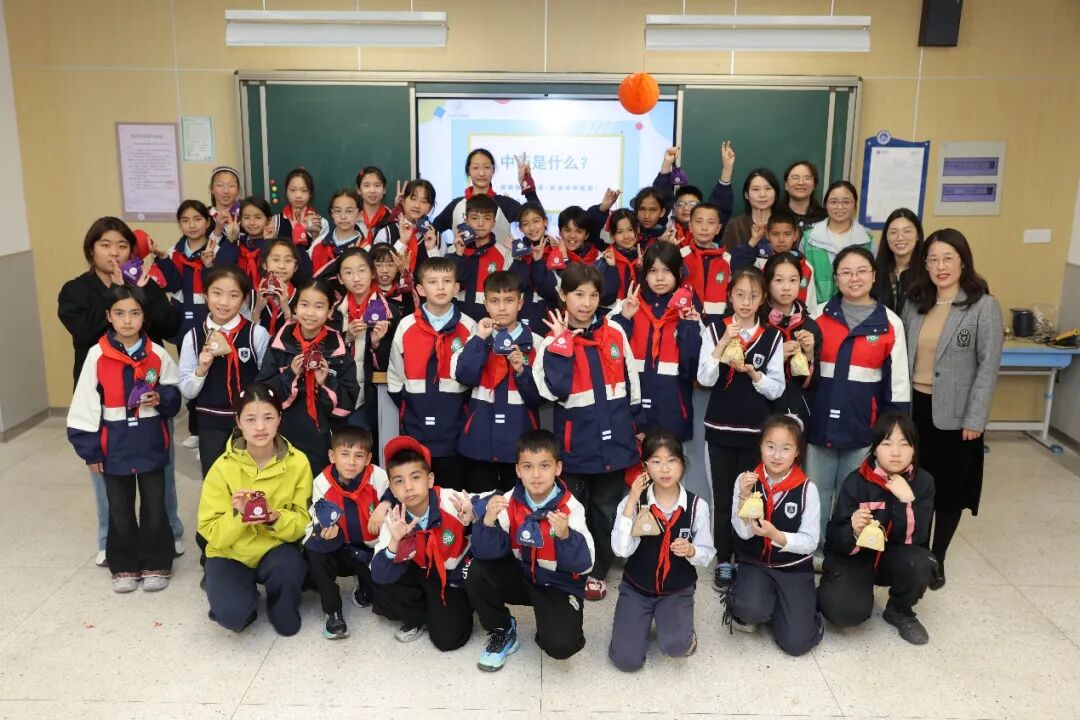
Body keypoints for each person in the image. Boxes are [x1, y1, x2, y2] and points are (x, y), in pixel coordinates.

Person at [57, 217, 183, 566]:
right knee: (108, 477)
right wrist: (115, 294)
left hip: (149, 391)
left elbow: (170, 325)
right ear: (91, 251)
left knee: (160, 470)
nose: (114, 252)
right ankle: (109, 540)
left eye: (122, 246)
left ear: (133, 252)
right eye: (105, 245)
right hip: (104, 396)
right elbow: (84, 333)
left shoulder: (141, 281)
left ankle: (168, 532)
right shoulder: (75, 290)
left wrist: (144, 288)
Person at [533, 263, 640, 601]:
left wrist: (633, 428)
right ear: (563, 296)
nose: (586, 302)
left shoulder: (615, 331)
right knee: (574, 509)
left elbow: (632, 383)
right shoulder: (551, 339)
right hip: (576, 444)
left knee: (607, 510)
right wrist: (562, 345)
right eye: (578, 294)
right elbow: (553, 390)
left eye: (593, 295)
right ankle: (575, 566)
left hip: (616, 442)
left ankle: (598, 570)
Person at [903, 229, 1003, 589]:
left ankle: (938, 556)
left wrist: (976, 418)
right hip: (915, 411)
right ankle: (917, 552)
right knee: (916, 487)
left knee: (948, 491)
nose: (940, 266)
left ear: (963, 261)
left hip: (957, 417)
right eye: (933, 259)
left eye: (948, 258)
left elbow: (988, 367)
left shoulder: (982, 306)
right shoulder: (915, 302)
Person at [67, 285, 181, 592]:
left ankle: (156, 561)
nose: (127, 320)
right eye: (119, 313)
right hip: (113, 446)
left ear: (144, 316)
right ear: (109, 316)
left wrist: (161, 398)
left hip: (150, 443)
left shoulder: (157, 354)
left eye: (134, 313)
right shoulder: (96, 356)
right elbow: (84, 407)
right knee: (119, 507)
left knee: (154, 505)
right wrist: (91, 452)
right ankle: (125, 564)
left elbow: (173, 391)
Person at [807, 246, 910, 562]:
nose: (854, 278)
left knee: (854, 495)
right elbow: (802, 374)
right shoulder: (817, 317)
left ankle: (845, 553)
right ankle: (814, 551)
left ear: (874, 276)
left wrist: (891, 438)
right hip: (819, 427)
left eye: (862, 271)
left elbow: (898, 387)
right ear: (836, 278)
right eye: (846, 272)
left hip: (864, 429)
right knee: (816, 493)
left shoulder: (890, 323)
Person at [465, 430, 595, 671]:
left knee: (561, 645)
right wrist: (488, 522)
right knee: (476, 571)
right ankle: (503, 629)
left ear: (558, 468)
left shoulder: (571, 507)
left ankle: (550, 623)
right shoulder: (508, 501)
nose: (536, 475)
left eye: (544, 465)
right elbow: (485, 553)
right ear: (517, 470)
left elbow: (585, 565)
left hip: (557, 584)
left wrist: (566, 537)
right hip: (522, 576)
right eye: (527, 466)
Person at [198, 383, 312, 636]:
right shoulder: (221, 467)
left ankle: (281, 606)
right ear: (238, 421)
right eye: (251, 419)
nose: (260, 427)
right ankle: (234, 592)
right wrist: (238, 515)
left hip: (275, 547)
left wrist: (274, 518)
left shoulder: (298, 462)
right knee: (233, 617)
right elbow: (210, 531)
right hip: (231, 552)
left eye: (268, 418)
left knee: (290, 567)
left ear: (279, 419)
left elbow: (304, 521)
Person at [697, 267, 784, 592]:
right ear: (730, 296)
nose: (746, 302)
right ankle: (724, 558)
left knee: (751, 497)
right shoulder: (715, 329)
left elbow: (776, 389)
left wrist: (754, 374)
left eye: (753, 296)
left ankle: (747, 557)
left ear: (763, 299)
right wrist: (722, 344)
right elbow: (705, 378)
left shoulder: (773, 337)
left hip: (755, 435)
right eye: (740, 295)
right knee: (722, 497)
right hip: (719, 430)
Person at [817, 412, 937, 645]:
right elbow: (833, 539)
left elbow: (918, 540)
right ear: (874, 449)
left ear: (914, 449)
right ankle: (831, 590)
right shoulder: (856, 481)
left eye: (904, 444)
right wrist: (852, 530)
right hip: (856, 558)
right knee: (843, 613)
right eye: (887, 443)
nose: (896, 452)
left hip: (894, 556)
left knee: (923, 563)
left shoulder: (923, 483)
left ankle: (899, 610)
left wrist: (906, 501)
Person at [609, 429, 715, 672]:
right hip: (637, 588)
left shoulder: (696, 506)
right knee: (626, 660)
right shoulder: (634, 502)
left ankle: (677, 627)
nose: (665, 469)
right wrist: (632, 500)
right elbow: (621, 549)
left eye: (672, 460)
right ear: (645, 466)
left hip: (676, 589)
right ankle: (641, 621)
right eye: (656, 461)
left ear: (682, 464)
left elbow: (707, 553)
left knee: (676, 647)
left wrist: (691, 551)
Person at [727, 415, 822, 656]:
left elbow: (810, 542)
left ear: (797, 452)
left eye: (786, 448)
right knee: (748, 611)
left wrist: (776, 535)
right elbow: (743, 534)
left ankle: (795, 608)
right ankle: (767, 602)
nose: (777, 456)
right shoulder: (746, 480)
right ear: (760, 447)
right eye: (770, 447)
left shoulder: (807, 489)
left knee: (797, 644)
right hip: (757, 563)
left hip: (793, 568)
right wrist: (743, 496)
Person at [369, 436, 474, 649]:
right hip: (419, 571)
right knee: (382, 592)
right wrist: (395, 543)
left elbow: (494, 501)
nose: (408, 487)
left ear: (430, 479)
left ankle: (450, 608)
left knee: (448, 640)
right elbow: (379, 574)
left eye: (415, 477)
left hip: (451, 577)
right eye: (399, 481)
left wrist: (475, 515)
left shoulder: (451, 500)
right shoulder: (394, 518)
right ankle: (419, 616)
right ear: (392, 489)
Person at [386, 256, 476, 490]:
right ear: (420, 289)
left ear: (456, 288)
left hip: (456, 432)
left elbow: (476, 379)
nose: (440, 287)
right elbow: (395, 376)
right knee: (416, 492)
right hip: (415, 428)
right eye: (433, 281)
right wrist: (409, 406)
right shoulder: (406, 326)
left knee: (452, 497)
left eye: (447, 281)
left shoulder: (469, 327)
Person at [451, 271, 545, 493]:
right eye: (494, 301)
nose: (502, 308)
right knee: (481, 504)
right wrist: (480, 340)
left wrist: (521, 370)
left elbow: (539, 398)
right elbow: (464, 377)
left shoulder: (536, 342)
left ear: (520, 303)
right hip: (479, 441)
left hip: (521, 443)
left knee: (518, 506)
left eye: (509, 300)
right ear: (485, 304)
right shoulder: (475, 337)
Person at [256, 278, 358, 475]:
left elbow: (349, 400)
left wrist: (325, 381)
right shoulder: (280, 344)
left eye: (319, 307)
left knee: (319, 486)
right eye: (304, 305)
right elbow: (262, 393)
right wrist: (290, 375)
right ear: (295, 308)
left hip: (325, 436)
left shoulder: (338, 349)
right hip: (283, 434)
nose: (310, 313)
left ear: (329, 311)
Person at [178, 265, 269, 477]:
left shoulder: (256, 334)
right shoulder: (193, 336)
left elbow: (267, 380)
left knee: (251, 483)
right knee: (215, 481)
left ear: (244, 299)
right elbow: (187, 390)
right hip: (210, 422)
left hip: (250, 422)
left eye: (233, 295)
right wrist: (201, 369)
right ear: (205, 295)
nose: (224, 302)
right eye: (217, 293)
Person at [303, 426, 390, 640]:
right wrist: (327, 532)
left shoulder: (377, 476)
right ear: (332, 456)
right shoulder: (322, 482)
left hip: (371, 549)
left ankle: (365, 582)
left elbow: (394, 494)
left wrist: (384, 504)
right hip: (340, 547)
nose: (351, 462)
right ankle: (333, 611)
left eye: (359, 456)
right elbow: (319, 514)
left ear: (368, 458)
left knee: (388, 605)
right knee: (316, 551)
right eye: (344, 454)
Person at [610, 242, 703, 441]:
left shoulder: (688, 310)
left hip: (672, 412)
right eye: (653, 271)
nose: (660, 278)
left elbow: (691, 370)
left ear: (679, 273)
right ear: (644, 274)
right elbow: (611, 356)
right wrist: (624, 319)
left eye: (667, 270)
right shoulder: (629, 305)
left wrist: (688, 327)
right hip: (632, 410)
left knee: (669, 459)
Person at [335, 247, 395, 440]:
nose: (356, 278)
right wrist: (347, 337)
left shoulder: (390, 312)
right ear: (340, 278)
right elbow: (325, 354)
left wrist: (376, 344)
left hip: (371, 398)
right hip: (337, 395)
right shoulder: (333, 312)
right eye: (348, 272)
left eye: (362, 270)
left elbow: (393, 365)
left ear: (372, 273)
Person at [764, 253, 821, 429]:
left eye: (793, 280)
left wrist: (809, 355)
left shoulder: (810, 326)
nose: (787, 287)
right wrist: (776, 357)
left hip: (795, 413)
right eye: (779, 280)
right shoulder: (757, 321)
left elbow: (811, 384)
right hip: (759, 410)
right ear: (767, 282)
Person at [432, 149, 540, 241]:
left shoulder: (505, 204)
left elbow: (538, 218)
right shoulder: (456, 205)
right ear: (468, 171)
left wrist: (527, 185)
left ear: (493, 170)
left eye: (487, 167)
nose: (481, 173)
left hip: (500, 260)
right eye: (476, 168)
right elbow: (432, 231)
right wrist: (449, 250)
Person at [449, 193, 518, 322]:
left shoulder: (504, 253)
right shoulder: (454, 250)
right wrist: (458, 255)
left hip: (491, 322)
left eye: (487, 218)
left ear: (494, 223)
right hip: (455, 320)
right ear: (466, 220)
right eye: (475, 218)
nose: (480, 224)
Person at [729, 211, 818, 310]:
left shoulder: (805, 266)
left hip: (797, 317)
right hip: (763, 316)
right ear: (767, 235)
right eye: (775, 234)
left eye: (787, 234)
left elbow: (811, 305)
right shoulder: (758, 260)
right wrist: (754, 239)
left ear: (795, 235)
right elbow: (737, 268)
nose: (781, 239)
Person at [802, 181, 874, 303]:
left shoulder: (867, 240)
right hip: (815, 309)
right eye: (834, 202)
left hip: (855, 307)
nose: (839, 207)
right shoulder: (809, 238)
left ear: (855, 205)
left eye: (846, 202)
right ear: (826, 204)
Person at [371, 178, 440, 276]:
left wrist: (432, 249)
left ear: (430, 208)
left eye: (424, 201)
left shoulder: (436, 237)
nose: (417, 205)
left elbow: (441, 274)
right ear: (403, 201)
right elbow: (379, 272)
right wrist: (402, 242)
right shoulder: (386, 233)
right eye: (413, 199)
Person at [680, 202, 732, 325]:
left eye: (711, 222)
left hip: (717, 322)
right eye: (699, 222)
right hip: (685, 318)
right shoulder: (680, 255)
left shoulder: (727, 259)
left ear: (718, 229)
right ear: (690, 226)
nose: (704, 228)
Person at [874, 208, 924, 314]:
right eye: (893, 232)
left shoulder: (928, 272)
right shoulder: (875, 273)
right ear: (886, 237)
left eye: (907, 231)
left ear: (918, 235)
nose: (900, 237)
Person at [250, 238, 300, 337]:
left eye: (288, 260)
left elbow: (299, 338)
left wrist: (287, 311)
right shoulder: (250, 295)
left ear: (295, 267)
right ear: (264, 264)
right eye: (276, 259)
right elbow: (245, 336)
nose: (281, 266)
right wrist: (257, 310)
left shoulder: (301, 297)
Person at [720, 168, 780, 250]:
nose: (762, 194)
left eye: (768, 188)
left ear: (775, 193)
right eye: (756, 189)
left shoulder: (786, 223)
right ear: (746, 195)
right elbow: (727, 256)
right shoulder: (735, 225)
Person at [310, 188, 364, 278]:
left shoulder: (365, 247)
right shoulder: (319, 247)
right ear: (332, 214)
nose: (343, 216)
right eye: (338, 211)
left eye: (349, 211)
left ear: (359, 214)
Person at [272, 167, 328, 249]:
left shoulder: (320, 222)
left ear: (310, 194)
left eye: (304, 190)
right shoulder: (275, 221)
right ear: (286, 192)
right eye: (293, 190)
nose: (298, 195)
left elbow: (320, 254)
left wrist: (315, 236)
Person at [601, 208, 643, 300]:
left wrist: (641, 270)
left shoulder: (644, 255)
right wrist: (611, 267)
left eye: (630, 229)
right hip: (615, 307)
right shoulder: (606, 259)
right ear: (612, 235)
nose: (626, 236)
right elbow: (605, 296)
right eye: (620, 232)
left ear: (637, 229)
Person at [776, 161, 827, 234]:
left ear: (814, 185)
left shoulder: (825, 218)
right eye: (795, 178)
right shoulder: (775, 215)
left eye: (807, 178)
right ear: (786, 184)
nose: (801, 182)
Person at [370, 243, 416, 319]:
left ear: (397, 267)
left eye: (390, 265)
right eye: (378, 265)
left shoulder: (404, 290)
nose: (384, 270)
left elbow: (410, 319)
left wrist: (405, 276)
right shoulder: (365, 291)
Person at [354, 166, 392, 244]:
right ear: (358, 190)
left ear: (384, 189)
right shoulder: (351, 219)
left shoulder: (392, 219)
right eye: (367, 185)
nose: (372, 190)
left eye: (377, 185)